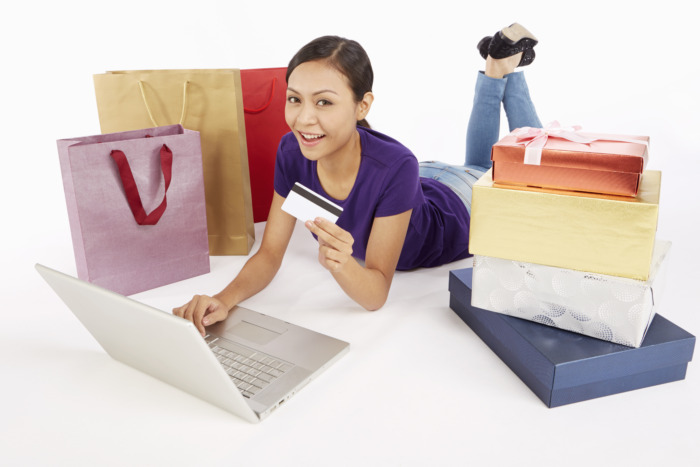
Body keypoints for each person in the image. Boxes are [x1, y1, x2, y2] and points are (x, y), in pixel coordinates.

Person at [174, 23, 542, 335]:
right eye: (294, 99)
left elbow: (375, 294)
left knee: (529, 176)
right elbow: (270, 254)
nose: (303, 119)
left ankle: (503, 68)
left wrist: (341, 263)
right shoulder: (292, 151)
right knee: (478, 163)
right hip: (422, 179)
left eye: (324, 102)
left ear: (362, 105)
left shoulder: (395, 164)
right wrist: (221, 300)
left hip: (459, 205)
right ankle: (496, 66)